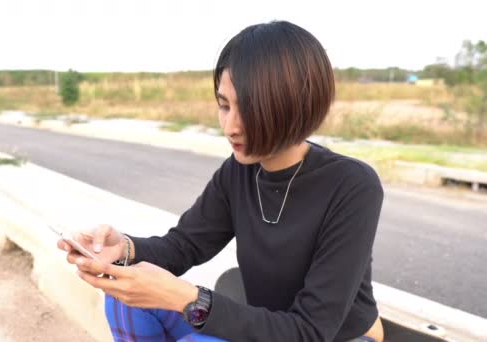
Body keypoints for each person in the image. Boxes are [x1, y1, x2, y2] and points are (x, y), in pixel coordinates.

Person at [58, 20, 385, 342]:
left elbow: (310, 331)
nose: (230, 127)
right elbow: (184, 245)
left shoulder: (353, 186)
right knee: (126, 296)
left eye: (250, 109)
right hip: (266, 326)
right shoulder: (239, 170)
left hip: (335, 336)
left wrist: (186, 298)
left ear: (293, 106)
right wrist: (124, 248)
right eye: (224, 105)